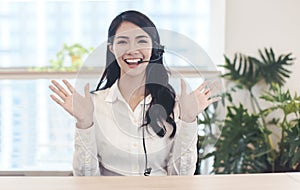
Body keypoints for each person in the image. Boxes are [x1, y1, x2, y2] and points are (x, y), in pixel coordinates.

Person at [49, 10, 220, 176]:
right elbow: (86, 179)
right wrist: (84, 123)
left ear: (154, 47)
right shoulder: (93, 105)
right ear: (111, 48)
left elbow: (182, 176)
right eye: (123, 42)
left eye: (141, 41)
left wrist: (188, 120)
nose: (132, 50)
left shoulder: (174, 104)